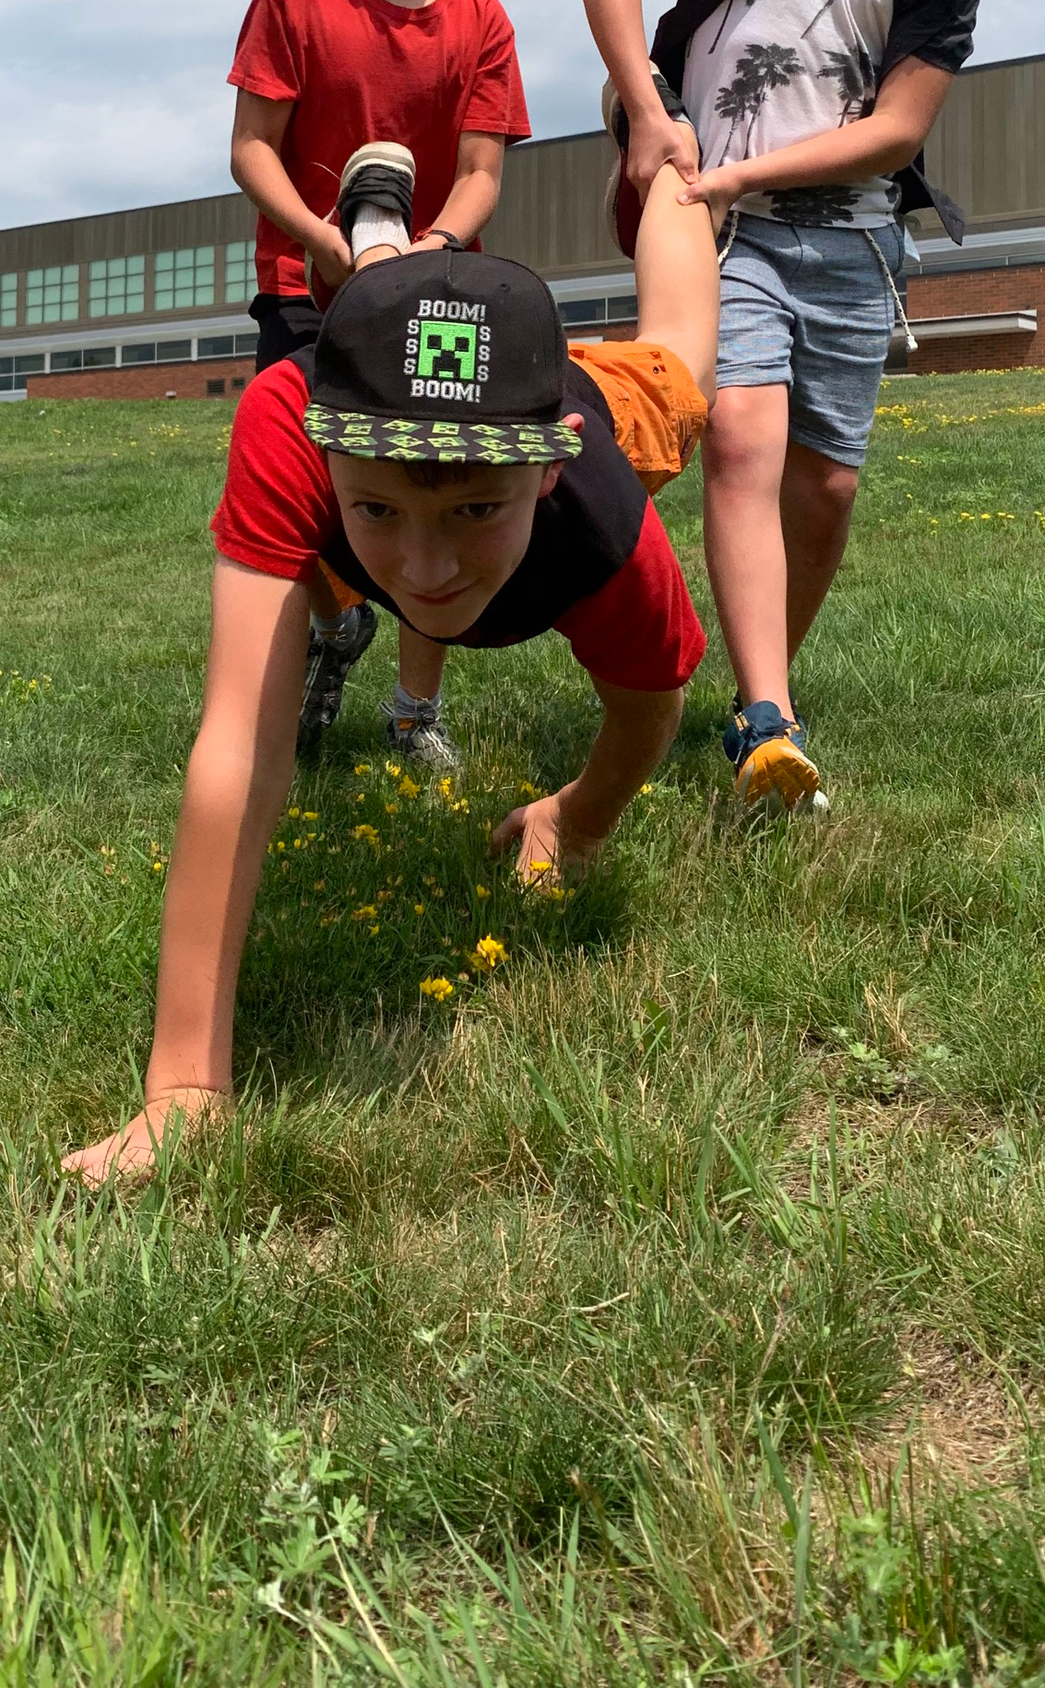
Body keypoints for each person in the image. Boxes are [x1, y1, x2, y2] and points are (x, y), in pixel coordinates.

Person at [62, 142, 718, 1185]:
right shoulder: (291, 422)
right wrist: (185, 1089)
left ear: (544, 472)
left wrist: (576, 820)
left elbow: (649, 712)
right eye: (377, 508)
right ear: (327, 457)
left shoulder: (601, 516)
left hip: (586, 394)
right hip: (396, 382)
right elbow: (240, 742)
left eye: (472, 509)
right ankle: (381, 238)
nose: (425, 569)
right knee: (384, 321)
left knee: (682, 355)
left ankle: (670, 139)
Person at [579, 0, 1015, 808]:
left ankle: (754, 689)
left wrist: (743, 165)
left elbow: (898, 130)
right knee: (741, 434)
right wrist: (653, 117)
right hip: (718, 223)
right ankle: (766, 722)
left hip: (855, 243)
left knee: (822, 490)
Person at [228, 0, 532, 776]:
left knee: (430, 485)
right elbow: (251, 150)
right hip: (304, 279)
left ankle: (414, 711)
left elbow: (484, 171)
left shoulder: (482, 19)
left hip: (438, 290)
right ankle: (337, 615)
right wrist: (322, 237)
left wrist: (425, 250)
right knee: (303, 482)